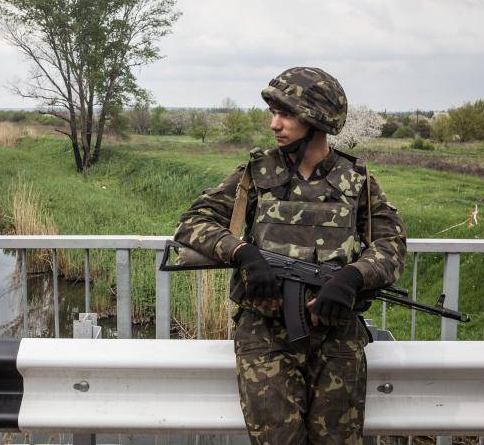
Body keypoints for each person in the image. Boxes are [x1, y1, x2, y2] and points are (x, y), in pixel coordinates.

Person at [173, 67, 407, 444]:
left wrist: (353, 278)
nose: (274, 125)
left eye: (285, 114)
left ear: (316, 120)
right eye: (273, 113)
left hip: (336, 339)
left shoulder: (357, 182)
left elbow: (392, 246)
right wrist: (244, 254)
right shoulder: (256, 173)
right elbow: (192, 221)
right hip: (266, 335)